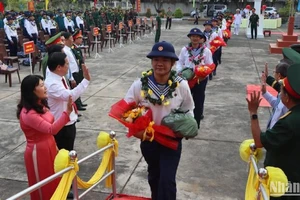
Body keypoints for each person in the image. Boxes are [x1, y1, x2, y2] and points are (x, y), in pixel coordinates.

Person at [123, 41, 194, 200]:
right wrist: (137, 131)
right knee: (154, 176)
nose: (159, 64)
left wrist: (189, 127)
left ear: (173, 63)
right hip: (149, 140)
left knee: (167, 181)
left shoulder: (181, 85)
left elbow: (189, 108)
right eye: (156, 60)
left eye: (165, 60)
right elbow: (126, 109)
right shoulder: (139, 85)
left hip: (172, 139)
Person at [246, 63, 300, 199]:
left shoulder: (288, 122)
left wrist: (253, 112)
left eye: (281, 92)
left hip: (284, 182)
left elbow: (259, 141)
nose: (280, 94)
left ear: (287, 97)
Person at [17, 75, 72, 200]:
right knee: (44, 184)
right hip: (38, 152)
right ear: (32, 91)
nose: (45, 88)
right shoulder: (28, 114)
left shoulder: (40, 105)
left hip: (50, 146)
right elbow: (51, 129)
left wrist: (55, 146)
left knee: (54, 179)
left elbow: (49, 131)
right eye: (41, 86)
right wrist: (66, 113)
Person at [45, 52, 91, 151]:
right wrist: (85, 80)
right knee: (65, 153)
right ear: (58, 67)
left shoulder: (59, 77)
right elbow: (70, 96)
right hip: (62, 125)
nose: (68, 66)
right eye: (66, 63)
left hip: (67, 120)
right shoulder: (52, 84)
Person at [177, 28, 214, 128]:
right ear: (190, 38)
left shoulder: (206, 51)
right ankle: (184, 122)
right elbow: (179, 62)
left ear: (201, 38)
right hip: (186, 80)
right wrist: (180, 73)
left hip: (200, 80)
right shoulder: (184, 49)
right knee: (185, 101)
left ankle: (195, 124)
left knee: (198, 101)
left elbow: (210, 65)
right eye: (193, 36)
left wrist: (203, 74)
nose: (195, 38)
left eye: (197, 36)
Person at [62, 32, 86, 111]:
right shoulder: (65, 51)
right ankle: (76, 106)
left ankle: (79, 103)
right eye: (71, 39)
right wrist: (71, 77)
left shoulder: (69, 49)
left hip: (76, 71)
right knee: (73, 91)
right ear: (66, 40)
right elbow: (67, 65)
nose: (72, 40)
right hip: (72, 73)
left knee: (77, 89)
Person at [261, 62, 289, 129]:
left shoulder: (285, 96)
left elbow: (278, 109)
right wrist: (265, 92)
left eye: (274, 72)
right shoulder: (285, 88)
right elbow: (277, 103)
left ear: (279, 75)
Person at [72, 30, 88, 109]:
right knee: (76, 87)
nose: (81, 40)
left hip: (79, 69)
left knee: (79, 85)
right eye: (80, 38)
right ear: (75, 39)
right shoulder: (73, 48)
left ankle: (79, 102)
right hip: (76, 70)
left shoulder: (77, 47)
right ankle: (77, 104)